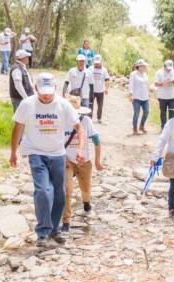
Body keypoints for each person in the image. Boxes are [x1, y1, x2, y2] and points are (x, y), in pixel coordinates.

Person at [10, 73, 85, 247]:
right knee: (43, 190)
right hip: (36, 153)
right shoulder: (27, 104)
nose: (46, 95)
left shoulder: (63, 104)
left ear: (55, 89)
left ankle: (54, 229)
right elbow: (18, 128)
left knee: (60, 193)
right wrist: (13, 152)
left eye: (49, 92)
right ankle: (43, 231)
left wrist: (80, 150)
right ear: (36, 88)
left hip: (57, 153)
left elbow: (79, 128)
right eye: (42, 92)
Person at [61, 96, 103, 232]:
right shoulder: (60, 121)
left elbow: (96, 139)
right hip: (66, 161)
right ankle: (66, 220)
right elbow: (53, 143)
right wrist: (62, 158)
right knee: (67, 190)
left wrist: (97, 160)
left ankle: (86, 203)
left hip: (84, 161)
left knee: (85, 188)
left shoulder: (86, 121)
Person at [154, 60, 174, 129]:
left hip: (172, 96)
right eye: (167, 68)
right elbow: (156, 84)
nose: (169, 70)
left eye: (170, 68)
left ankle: (171, 128)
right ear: (164, 66)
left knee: (172, 113)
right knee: (163, 113)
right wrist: (165, 82)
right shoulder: (159, 72)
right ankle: (163, 128)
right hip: (162, 96)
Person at [128, 59, 150, 135]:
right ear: (139, 66)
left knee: (146, 112)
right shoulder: (133, 74)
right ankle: (134, 129)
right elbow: (131, 84)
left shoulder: (145, 75)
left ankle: (142, 126)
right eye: (142, 66)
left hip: (145, 97)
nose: (144, 67)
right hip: (136, 97)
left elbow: (146, 85)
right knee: (136, 113)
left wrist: (148, 94)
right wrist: (130, 95)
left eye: (144, 66)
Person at [88, 55, 109, 123]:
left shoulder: (104, 70)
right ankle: (89, 118)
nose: (97, 64)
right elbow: (86, 78)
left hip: (100, 91)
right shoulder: (90, 69)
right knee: (90, 104)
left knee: (100, 106)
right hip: (91, 90)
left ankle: (99, 118)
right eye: (96, 62)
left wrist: (106, 88)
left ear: (101, 62)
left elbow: (107, 80)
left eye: (98, 62)